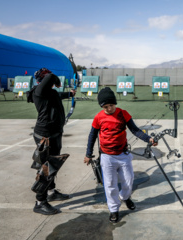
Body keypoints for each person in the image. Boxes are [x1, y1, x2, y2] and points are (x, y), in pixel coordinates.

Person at [84, 87, 157, 223]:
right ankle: (113, 209)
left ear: (115, 103)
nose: (109, 109)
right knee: (110, 184)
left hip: (123, 155)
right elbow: (92, 135)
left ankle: (125, 197)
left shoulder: (123, 114)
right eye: (105, 107)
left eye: (111, 105)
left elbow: (135, 130)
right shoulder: (99, 117)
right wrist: (88, 154)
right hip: (107, 157)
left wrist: (149, 139)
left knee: (128, 180)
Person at [30, 68, 76, 215]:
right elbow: (50, 77)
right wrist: (55, 79)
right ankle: (40, 201)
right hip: (45, 135)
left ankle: (51, 191)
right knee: (46, 168)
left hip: (54, 134)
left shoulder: (50, 93)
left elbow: (57, 95)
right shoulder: (39, 91)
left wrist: (69, 94)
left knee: (53, 165)